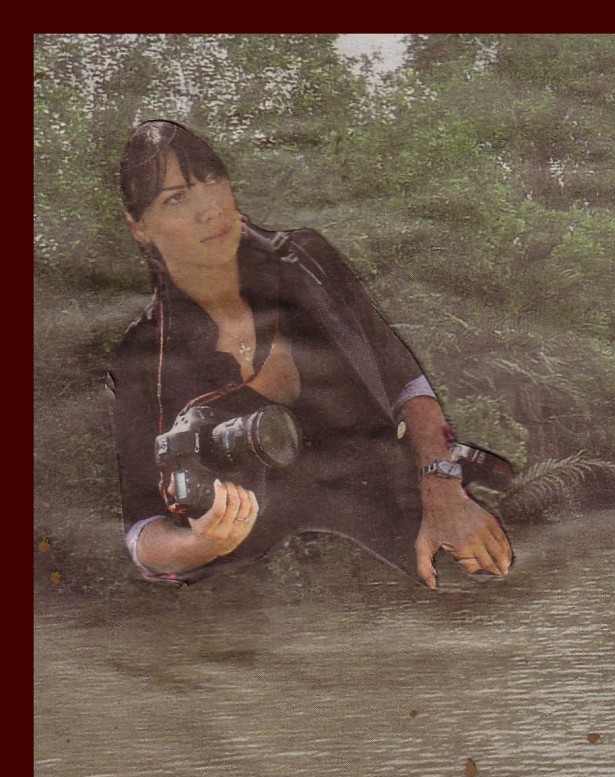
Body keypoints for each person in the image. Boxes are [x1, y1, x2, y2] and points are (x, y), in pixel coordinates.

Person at [106, 119, 512, 589]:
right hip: (267, 572)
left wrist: (442, 489)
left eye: (213, 180)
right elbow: (142, 532)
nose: (209, 208)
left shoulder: (305, 258)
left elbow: (404, 380)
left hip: (397, 501)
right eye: (176, 198)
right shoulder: (142, 356)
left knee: (497, 575)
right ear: (140, 227)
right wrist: (200, 545)